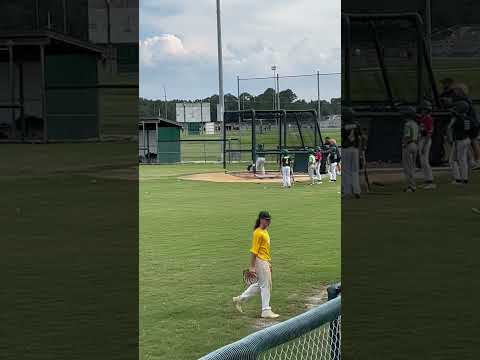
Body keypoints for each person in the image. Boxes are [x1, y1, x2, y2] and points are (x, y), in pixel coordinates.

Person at [232, 211, 279, 319]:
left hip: (264, 260)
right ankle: (266, 310)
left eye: (269, 220)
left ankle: (240, 299)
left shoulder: (264, 231)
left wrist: (268, 262)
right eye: (267, 220)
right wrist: (252, 266)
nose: (269, 222)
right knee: (266, 285)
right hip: (260, 261)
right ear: (261, 220)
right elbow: (254, 251)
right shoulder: (258, 233)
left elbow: (265, 249)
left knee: (261, 285)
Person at [448, 100, 473, 185]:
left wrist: (451, 140)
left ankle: (458, 179)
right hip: (467, 139)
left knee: (452, 160)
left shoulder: (457, 118)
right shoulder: (468, 118)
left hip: (459, 141)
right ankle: (464, 179)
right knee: (463, 160)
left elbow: (450, 128)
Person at [341, 107, 362, 198]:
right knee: (355, 171)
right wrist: (361, 151)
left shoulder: (343, 126)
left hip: (346, 149)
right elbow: (361, 138)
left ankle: (347, 191)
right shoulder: (357, 125)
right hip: (355, 149)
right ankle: (357, 190)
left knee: (346, 171)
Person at [416, 101, 436, 189]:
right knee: (422, 162)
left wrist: (424, 145)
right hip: (422, 139)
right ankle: (426, 180)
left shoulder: (429, 118)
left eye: (424, 109)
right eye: (422, 109)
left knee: (425, 161)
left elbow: (429, 133)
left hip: (426, 140)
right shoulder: (422, 118)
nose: (422, 111)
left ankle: (431, 181)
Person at [401, 107, 420, 192]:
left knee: (407, 167)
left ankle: (411, 186)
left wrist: (404, 144)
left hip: (409, 145)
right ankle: (412, 185)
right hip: (415, 145)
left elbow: (407, 136)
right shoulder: (416, 124)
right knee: (412, 166)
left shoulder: (407, 124)